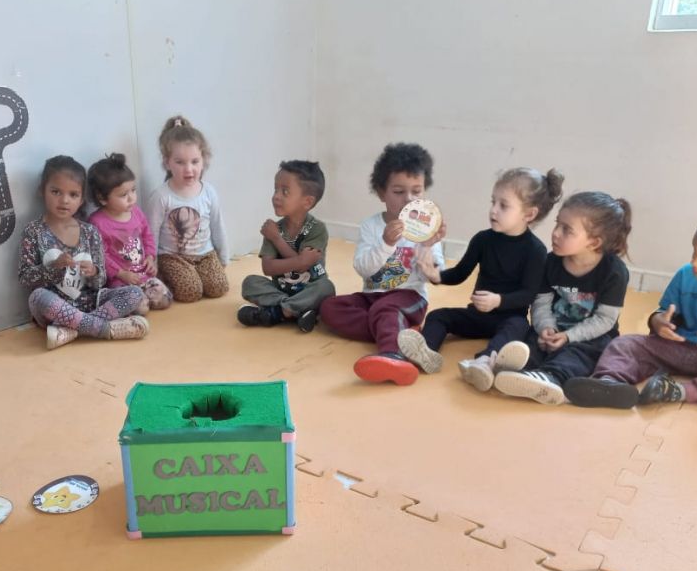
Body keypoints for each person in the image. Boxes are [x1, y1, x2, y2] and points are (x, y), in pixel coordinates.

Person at [565, 203, 697, 408]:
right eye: (695, 253)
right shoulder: (687, 274)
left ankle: (677, 391)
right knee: (625, 344)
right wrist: (658, 322)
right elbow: (666, 313)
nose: (695, 263)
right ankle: (609, 383)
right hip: (679, 348)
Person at [400, 167, 561, 391]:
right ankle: (425, 351)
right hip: (477, 315)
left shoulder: (535, 250)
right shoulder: (482, 239)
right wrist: (436, 276)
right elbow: (460, 273)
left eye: (503, 205)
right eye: (493, 202)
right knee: (438, 316)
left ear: (529, 214)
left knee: (519, 327)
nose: (493, 210)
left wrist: (498, 301)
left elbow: (528, 294)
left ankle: (485, 361)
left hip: (509, 318)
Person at [319, 143, 445, 385]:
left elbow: (436, 276)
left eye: (417, 191)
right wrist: (386, 243)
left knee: (385, 310)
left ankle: (393, 355)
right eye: (398, 191)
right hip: (372, 296)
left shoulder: (426, 230)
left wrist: (428, 251)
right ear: (381, 193)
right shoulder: (371, 226)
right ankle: (403, 334)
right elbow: (363, 268)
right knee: (329, 307)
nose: (408, 199)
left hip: (410, 297)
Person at [491, 192, 632, 405]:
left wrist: (568, 337)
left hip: (589, 336)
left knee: (582, 353)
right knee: (529, 339)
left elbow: (605, 320)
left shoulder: (614, 272)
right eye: (557, 224)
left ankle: (551, 378)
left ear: (594, 242)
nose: (555, 233)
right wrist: (546, 329)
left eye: (567, 230)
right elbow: (541, 303)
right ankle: (514, 369)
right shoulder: (550, 262)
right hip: (554, 330)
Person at [18, 156, 148, 349]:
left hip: (92, 302)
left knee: (135, 293)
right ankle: (105, 329)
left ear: (81, 199)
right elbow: (25, 278)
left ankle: (72, 331)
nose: (64, 200)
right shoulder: (33, 231)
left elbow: (100, 281)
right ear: (42, 191)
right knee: (37, 297)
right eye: (56, 192)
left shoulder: (90, 232)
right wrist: (54, 268)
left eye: (73, 194)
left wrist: (94, 271)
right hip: (55, 309)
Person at [238, 160, 335, 332]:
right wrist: (300, 260)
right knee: (250, 282)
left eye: (285, 191)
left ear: (307, 202)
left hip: (310, 289)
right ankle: (295, 310)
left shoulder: (317, 229)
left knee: (326, 287)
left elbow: (304, 267)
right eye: (275, 189)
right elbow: (268, 268)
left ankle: (275, 312)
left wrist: (277, 240)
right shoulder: (273, 229)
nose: (276, 196)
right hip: (280, 289)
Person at [147, 115, 229, 303]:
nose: (189, 169)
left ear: (203, 160)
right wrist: (154, 266)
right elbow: (151, 233)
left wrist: (223, 257)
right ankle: (172, 277)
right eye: (180, 162)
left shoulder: (208, 192)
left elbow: (217, 225)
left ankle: (195, 274)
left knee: (219, 287)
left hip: (205, 254)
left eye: (194, 161)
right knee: (191, 292)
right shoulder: (161, 196)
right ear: (167, 162)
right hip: (172, 256)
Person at [87, 153, 172, 312]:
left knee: (165, 299)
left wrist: (150, 257)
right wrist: (121, 274)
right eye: (123, 195)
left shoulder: (136, 212)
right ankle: (133, 303)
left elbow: (147, 235)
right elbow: (100, 255)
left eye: (133, 190)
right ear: (102, 198)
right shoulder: (97, 223)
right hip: (120, 281)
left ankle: (143, 299)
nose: (131, 198)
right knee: (139, 307)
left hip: (143, 275)